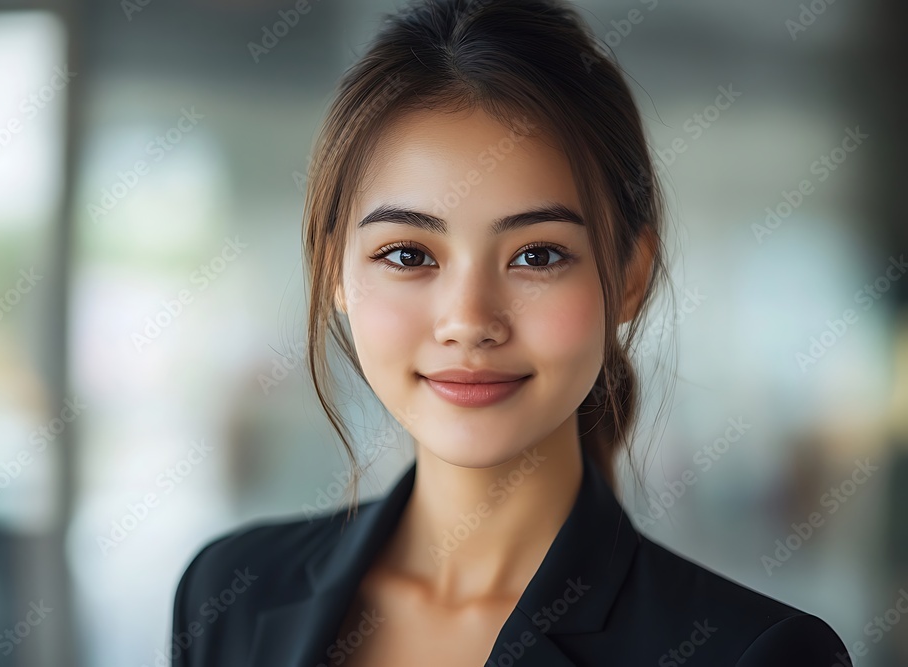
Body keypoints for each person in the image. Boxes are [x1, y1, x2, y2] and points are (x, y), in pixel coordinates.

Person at [171, 0, 851, 664]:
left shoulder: (757, 652)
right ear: (336, 273)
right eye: (408, 254)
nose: (468, 320)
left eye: (538, 255)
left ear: (631, 275)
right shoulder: (229, 595)